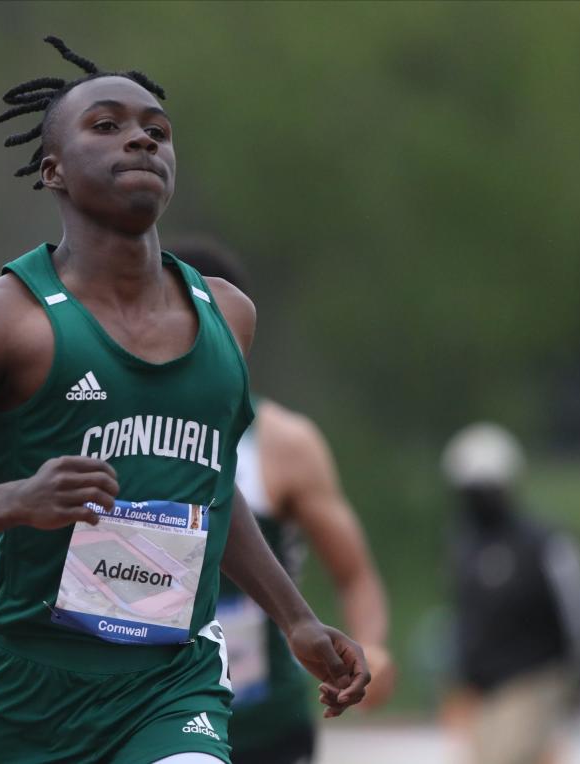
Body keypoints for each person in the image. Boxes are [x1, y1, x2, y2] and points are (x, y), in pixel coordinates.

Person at [0, 37, 370, 764]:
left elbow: (213, 492)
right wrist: (19, 500)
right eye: (105, 125)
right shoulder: (0, 322)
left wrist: (294, 619)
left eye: (155, 131)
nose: (139, 137)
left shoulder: (226, 316)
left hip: (166, 683)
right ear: (53, 169)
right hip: (15, 690)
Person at [174, 239, 395, 764]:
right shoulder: (106, 421)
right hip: (145, 711)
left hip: (262, 723)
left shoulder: (284, 443)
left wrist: (374, 646)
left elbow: (354, 573)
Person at [441, 422, 580, 764]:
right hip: (484, 691)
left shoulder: (545, 544)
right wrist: (459, 677)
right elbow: (465, 618)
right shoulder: (466, 547)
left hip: (534, 679)